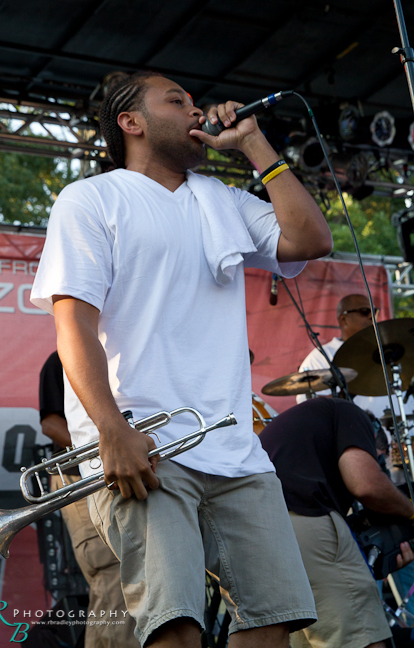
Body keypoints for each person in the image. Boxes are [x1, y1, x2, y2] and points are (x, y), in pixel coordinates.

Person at [31, 71, 333, 648]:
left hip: (236, 453)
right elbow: (74, 324)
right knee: (175, 626)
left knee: (275, 621)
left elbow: (310, 240)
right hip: (144, 443)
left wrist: (254, 143)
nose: (197, 111)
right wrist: (111, 430)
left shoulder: (222, 199)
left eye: (195, 102)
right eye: (177, 101)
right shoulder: (92, 198)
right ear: (131, 122)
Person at [259, 397, 414, 648]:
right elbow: (366, 484)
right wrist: (411, 512)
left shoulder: (300, 432)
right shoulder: (351, 415)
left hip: (248, 534)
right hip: (298, 520)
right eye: (378, 459)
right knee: (361, 639)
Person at [39, 351, 139, 648]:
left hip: (123, 470)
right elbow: (51, 424)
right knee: (112, 570)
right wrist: (110, 446)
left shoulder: (127, 352)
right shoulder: (62, 358)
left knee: (126, 572)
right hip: (80, 477)